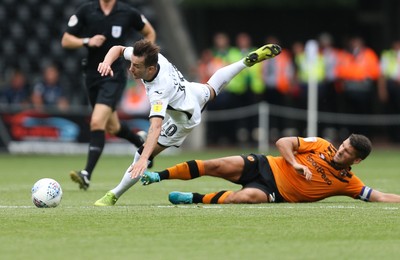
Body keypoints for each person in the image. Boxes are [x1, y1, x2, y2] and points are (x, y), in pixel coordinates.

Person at [94, 39, 282, 206]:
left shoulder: (159, 91)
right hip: (192, 91)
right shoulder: (152, 58)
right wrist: (106, 62)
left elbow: (156, 127)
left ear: (150, 69)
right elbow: (118, 49)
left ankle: (113, 195)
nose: (130, 68)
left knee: (141, 154)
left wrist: (144, 158)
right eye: (131, 63)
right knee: (212, 86)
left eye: (136, 66)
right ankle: (244, 62)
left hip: (184, 119)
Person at [61, 0, 156, 190]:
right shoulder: (86, 10)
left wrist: (143, 60)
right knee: (112, 126)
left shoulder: (127, 12)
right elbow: (66, 40)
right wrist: (87, 41)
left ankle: (86, 174)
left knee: (97, 122)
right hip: (91, 74)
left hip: (114, 75)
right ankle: (139, 141)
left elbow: (149, 32)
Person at [141, 134, 400, 204]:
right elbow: (283, 142)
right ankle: (158, 175)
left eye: (346, 153)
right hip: (266, 164)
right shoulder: (321, 145)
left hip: (276, 192)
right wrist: (295, 163)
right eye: (342, 145)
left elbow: (379, 196)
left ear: (356, 161)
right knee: (216, 165)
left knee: (245, 198)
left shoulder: (348, 183)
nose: (340, 151)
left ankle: (195, 199)